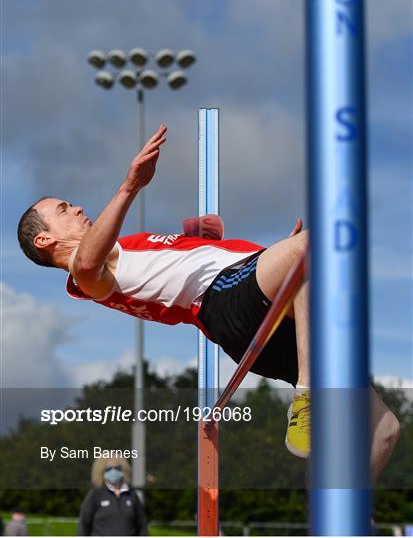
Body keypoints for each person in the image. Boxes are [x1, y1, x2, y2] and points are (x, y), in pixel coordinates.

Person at [17, 125, 399, 479]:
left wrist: (211, 240)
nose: (78, 208)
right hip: (224, 300)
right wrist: (130, 186)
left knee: (383, 428)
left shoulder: (127, 248)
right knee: (310, 248)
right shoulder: (87, 276)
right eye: (64, 210)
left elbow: (184, 262)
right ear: (44, 241)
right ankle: (308, 398)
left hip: (260, 304)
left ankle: (342, 518)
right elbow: (87, 260)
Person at [77, 457, 148, 536]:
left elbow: (142, 526)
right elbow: (84, 525)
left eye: (117, 468)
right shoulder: (95, 495)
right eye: (109, 469)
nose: (113, 471)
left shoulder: (132, 496)